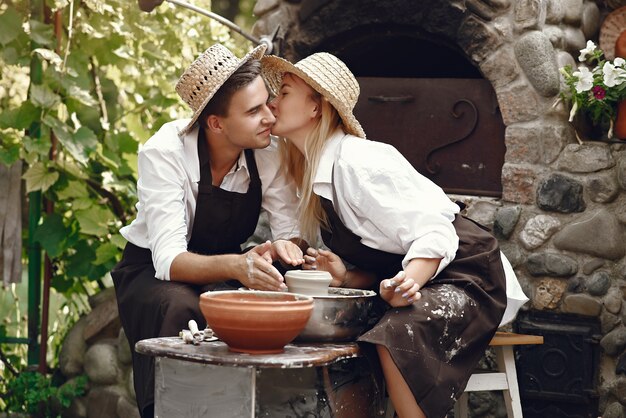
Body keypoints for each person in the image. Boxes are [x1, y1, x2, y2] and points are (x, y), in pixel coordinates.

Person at [261, 52, 509, 418]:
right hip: (417, 278)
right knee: (337, 330)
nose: (271, 102)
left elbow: (435, 231)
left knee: (395, 336)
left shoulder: (358, 161)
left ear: (317, 106)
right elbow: (386, 257)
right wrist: (347, 277)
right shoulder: (310, 174)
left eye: (283, 92)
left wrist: (408, 283)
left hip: (467, 273)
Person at [111, 43, 305, 418]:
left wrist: (284, 248)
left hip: (223, 269)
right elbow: (168, 260)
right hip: (151, 274)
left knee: (251, 309)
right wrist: (237, 266)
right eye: (253, 111)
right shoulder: (164, 152)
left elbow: (290, 230)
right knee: (181, 307)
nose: (270, 117)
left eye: (267, 103)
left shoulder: (267, 151)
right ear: (216, 123)